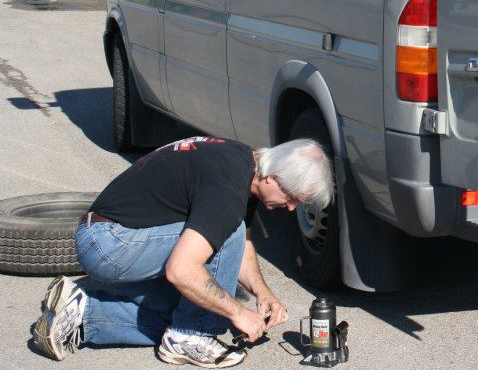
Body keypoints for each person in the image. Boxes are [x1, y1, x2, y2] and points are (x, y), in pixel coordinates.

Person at [30, 136, 335, 368]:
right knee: (207, 292)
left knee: (183, 310)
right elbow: (182, 269)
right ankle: (193, 337)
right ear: (273, 177)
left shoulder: (245, 163)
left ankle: (82, 314)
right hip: (109, 243)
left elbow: (243, 244)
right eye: (292, 197)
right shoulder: (227, 190)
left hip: (116, 237)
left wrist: (262, 293)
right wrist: (239, 312)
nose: (291, 207)